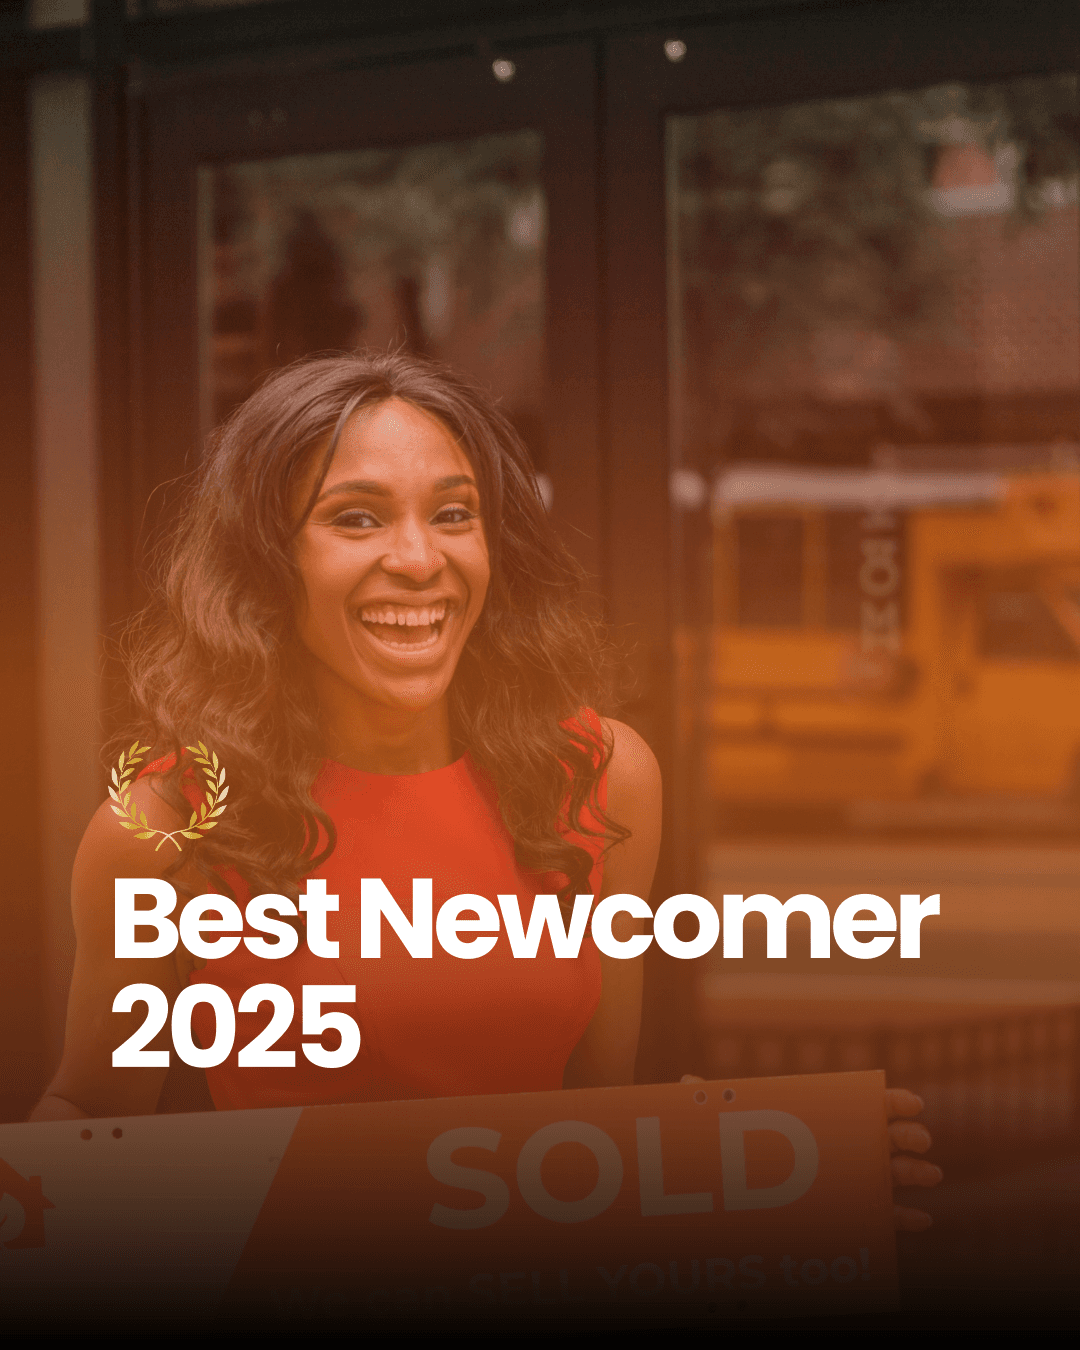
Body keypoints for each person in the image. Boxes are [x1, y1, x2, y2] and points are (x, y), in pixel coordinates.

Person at [31, 350, 939, 1227]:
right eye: (356, 519)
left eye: (455, 514)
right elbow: (88, 1104)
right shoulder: (164, 826)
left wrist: (775, 1160)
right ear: (268, 560)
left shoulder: (602, 779)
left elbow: (595, 1114)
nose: (420, 559)